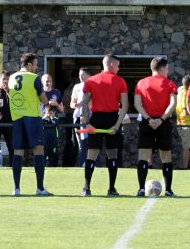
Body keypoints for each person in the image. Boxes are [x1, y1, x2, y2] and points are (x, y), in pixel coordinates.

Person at [79, 54, 128, 196]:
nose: (119, 69)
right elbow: (124, 106)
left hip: (96, 119)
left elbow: (84, 104)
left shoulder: (91, 80)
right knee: (112, 155)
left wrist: (88, 123)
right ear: (112, 65)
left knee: (91, 154)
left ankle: (86, 189)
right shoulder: (120, 81)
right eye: (118, 66)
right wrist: (117, 125)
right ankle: (111, 189)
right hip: (112, 119)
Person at [8, 54, 52, 196]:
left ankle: (16, 189)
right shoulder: (34, 78)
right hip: (32, 117)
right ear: (28, 65)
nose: (36, 67)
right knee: (39, 150)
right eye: (35, 64)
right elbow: (42, 96)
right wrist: (48, 105)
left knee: (18, 151)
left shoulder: (12, 77)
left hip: (17, 117)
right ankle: (40, 188)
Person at [133, 57, 177, 197]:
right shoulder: (169, 84)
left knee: (143, 157)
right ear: (162, 69)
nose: (168, 72)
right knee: (166, 157)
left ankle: (141, 189)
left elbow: (137, 104)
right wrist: (161, 119)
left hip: (147, 123)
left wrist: (148, 119)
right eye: (167, 69)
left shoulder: (141, 83)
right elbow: (173, 104)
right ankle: (168, 190)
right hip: (163, 124)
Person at [40, 74, 65, 167]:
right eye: (47, 81)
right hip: (42, 124)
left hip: (53, 124)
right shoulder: (39, 93)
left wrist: (56, 104)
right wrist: (44, 114)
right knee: (42, 150)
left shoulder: (57, 92)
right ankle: (40, 168)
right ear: (42, 82)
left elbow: (62, 109)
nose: (49, 83)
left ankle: (53, 168)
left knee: (53, 150)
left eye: (50, 81)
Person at [70, 68, 92, 167]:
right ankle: (81, 164)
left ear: (89, 76)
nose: (81, 77)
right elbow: (71, 103)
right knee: (81, 144)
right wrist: (77, 105)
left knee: (92, 142)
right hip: (78, 117)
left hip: (90, 117)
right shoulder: (76, 87)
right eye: (79, 75)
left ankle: (94, 164)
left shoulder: (93, 85)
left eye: (83, 75)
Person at [176, 75, 190, 169]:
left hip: (181, 124)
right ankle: (184, 169)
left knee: (185, 147)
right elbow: (186, 111)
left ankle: (182, 167)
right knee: (187, 148)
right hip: (186, 124)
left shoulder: (180, 90)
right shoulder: (186, 93)